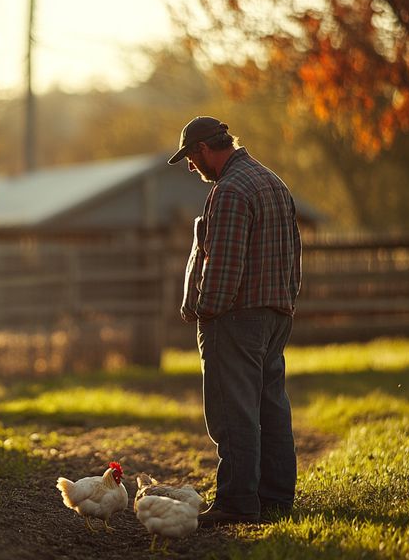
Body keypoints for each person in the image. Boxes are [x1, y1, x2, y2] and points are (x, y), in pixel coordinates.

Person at [170, 116, 302, 526]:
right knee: (271, 407)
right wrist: (284, 302)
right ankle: (276, 498)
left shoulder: (229, 190)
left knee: (234, 413)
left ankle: (237, 502)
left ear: (205, 150)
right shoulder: (272, 182)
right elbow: (293, 254)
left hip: (236, 317)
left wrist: (205, 310)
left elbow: (225, 267)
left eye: (192, 159)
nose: (192, 168)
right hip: (275, 312)